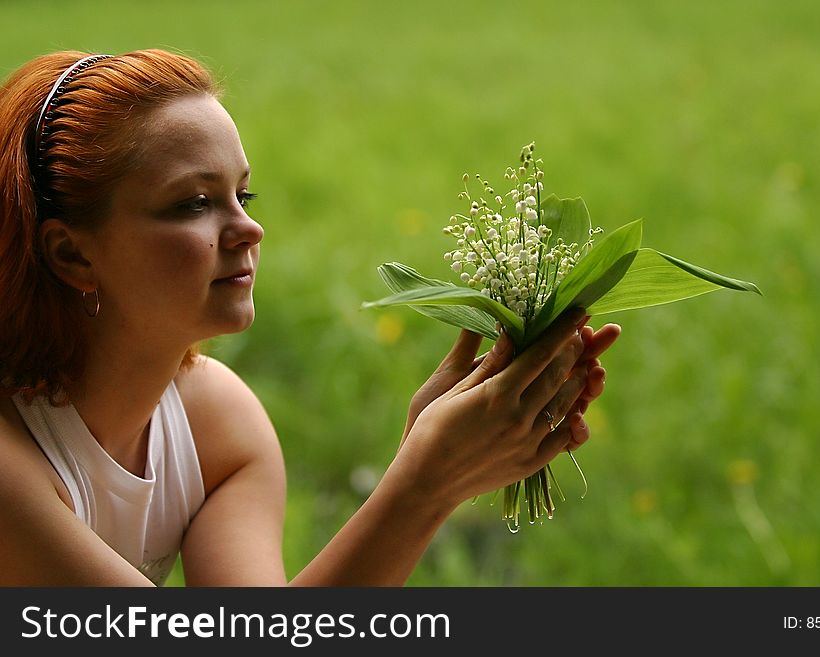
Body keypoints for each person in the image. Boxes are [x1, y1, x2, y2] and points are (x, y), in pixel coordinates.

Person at [0, 49, 621, 586]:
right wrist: (424, 483)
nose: (249, 229)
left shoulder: (214, 423)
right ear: (71, 252)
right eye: (193, 203)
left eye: (242, 196)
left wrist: (434, 468)